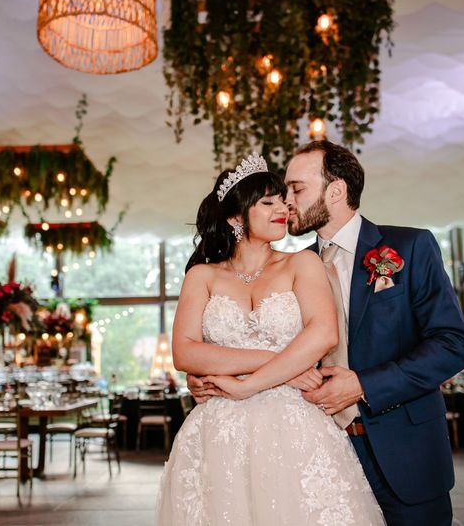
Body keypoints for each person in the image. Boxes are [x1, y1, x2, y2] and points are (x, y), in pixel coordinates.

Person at [196, 140, 464, 525]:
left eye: (296, 189)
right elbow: (258, 340)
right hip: (313, 454)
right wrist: (216, 377)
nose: (286, 201)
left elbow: (453, 345)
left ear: (337, 190)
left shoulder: (409, 247)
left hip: (403, 449)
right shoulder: (292, 265)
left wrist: (363, 385)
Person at [156, 152, 383, 526]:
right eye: (268, 202)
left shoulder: (302, 263)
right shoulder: (202, 276)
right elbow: (186, 352)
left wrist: (244, 381)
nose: (283, 207)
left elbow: (323, 334)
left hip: (295, 428)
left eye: (283, 199)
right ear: (234, 217)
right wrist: (286, 368)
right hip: (218, 431)